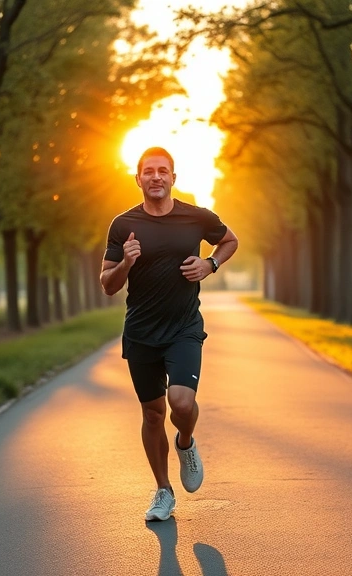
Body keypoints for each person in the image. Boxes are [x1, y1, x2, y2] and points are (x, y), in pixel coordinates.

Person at [100, 146, 239, 522]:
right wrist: (127, 261)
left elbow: (230, 240)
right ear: (139, 178)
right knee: (151, 413)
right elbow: (107, 285)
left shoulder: (196, 217)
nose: (156, 177)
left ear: (173, 178)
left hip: (183, 328)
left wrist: (210, 263)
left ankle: (186, 442)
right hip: (142, 331)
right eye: (149, 171)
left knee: (180, 404)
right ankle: (163, 490)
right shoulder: (122, 224)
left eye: (163, 171)